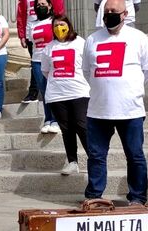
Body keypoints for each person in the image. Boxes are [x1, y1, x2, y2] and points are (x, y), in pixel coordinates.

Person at [83, 0, 148, 205]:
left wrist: (131, 89)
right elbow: (87, 71)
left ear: (125, 14)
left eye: (114, 11)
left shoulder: (138, 37)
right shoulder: (92, 39)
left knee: (135, 156)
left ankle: (137, 197)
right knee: (96, 156)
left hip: (130, 109)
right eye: (106, 11)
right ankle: (94, 196)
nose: (110, 15)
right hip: (99, 110)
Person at [40, 14, 90, 176]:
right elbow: (46, 71)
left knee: (82, 126)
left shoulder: (81, 43)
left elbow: (88, 65)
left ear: (69, 25)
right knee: (66, 129)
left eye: (62, 24)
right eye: (55, 25)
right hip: (57, 95)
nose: (59, 28)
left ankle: (94, 159)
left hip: (78, 92)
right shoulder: (49, 48)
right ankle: (72, 161)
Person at [16, 0, 65, 103]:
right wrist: (21, 35)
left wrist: (60, 28)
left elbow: (59, 8)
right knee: (35, 62)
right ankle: (33, 92)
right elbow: (21, 14)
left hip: (50, 29)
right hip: (33, 32)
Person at [29, 0, 60, 134]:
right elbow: (31, 42)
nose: (40, 7)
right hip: (37, 60)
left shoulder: (54, 21)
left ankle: (56, 120)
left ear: (50, 5)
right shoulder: (32, 24)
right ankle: (48, 119)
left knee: (53, 90)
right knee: (44, 91)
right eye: (38, 5)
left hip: (52, 59)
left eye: (43, 4)